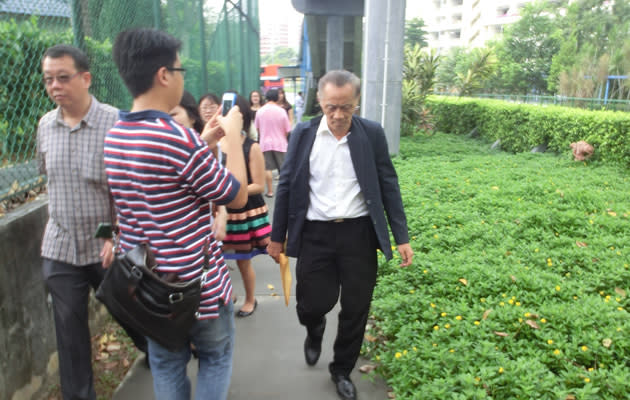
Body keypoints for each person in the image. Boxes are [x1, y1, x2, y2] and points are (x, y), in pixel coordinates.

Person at [106, 28, 248, 400]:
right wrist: (233, 136)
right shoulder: (174, 137)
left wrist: (206, 145)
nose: (182, 77)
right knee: (216, 359)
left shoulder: (116, 134)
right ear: (163, 75)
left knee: (167, 365)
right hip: (197, 287)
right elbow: (234, 197)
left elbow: (165, 182)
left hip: (150, 289)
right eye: (180, 70)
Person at [267, 70, 414, 400]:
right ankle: (314, 326)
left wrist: (400, 237)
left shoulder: (371, 135)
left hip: (358, 235)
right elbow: (287, 185)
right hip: (315, 234)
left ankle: (342, 369)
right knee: (312, 303)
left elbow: (388, 184)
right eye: (331, 106)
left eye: (346, 107)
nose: (337, 115)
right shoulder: (302, 134)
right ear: (320, 102)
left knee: (356, 307)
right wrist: (277, 237)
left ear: (356, 103)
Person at [37, 44, 146, 400]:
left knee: (131, 311)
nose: (55, 86)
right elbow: (47, 180)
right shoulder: (44, 126)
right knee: (69, 332)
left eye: (63, 78)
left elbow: (128, 190)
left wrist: (114, 235)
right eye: (49, 79)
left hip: (107, 246)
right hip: (60, 245)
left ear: (86, 78)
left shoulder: (115, 123)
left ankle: (156, 347)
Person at [220, 94, 271, 317]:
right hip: (220, 212)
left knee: (242, 260)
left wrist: (229, 190)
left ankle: (250, 299)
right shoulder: (215, 142)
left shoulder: (252, 147)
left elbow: (259, 185)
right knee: (216, 258)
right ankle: (226, 293)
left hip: (244, 213)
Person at [254, 88, 291, 198]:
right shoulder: (281, 111)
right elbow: (287, 129)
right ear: (276, 98)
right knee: (284, 169)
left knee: (267, 168)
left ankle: (270, 191)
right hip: (280, 143)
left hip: (265, 143)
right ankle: (286, 191)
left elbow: (257, 128)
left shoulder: (260, 111)